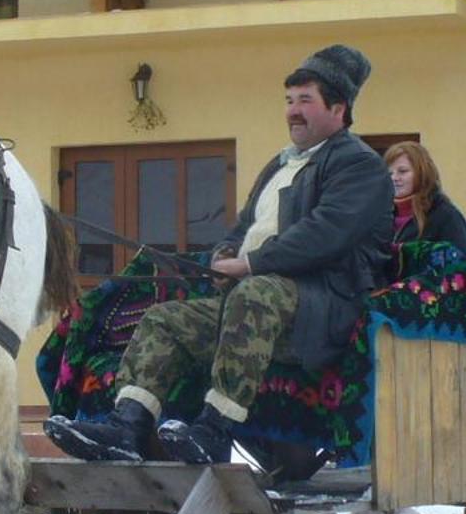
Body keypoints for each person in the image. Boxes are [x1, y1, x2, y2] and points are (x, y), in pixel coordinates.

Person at [45, 44, 393, 467]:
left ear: (339, 109)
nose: (292, 111)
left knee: (255, 295)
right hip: (260, 305)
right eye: (288, 101)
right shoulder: (279, 165)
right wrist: (225, 253)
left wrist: (249, 265)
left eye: (306, 100)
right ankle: (127, 427)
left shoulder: (360, 166)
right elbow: (243, 225)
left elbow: (324, 234)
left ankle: (214, 430)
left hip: (321, 309)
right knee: (165, 320)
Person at [384, 141, 466, 267]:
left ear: (422, 173)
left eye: (402, 171)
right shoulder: (380, 217)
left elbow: (458, 270)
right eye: (389, 173)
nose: (394, 178)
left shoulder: (446, 216)